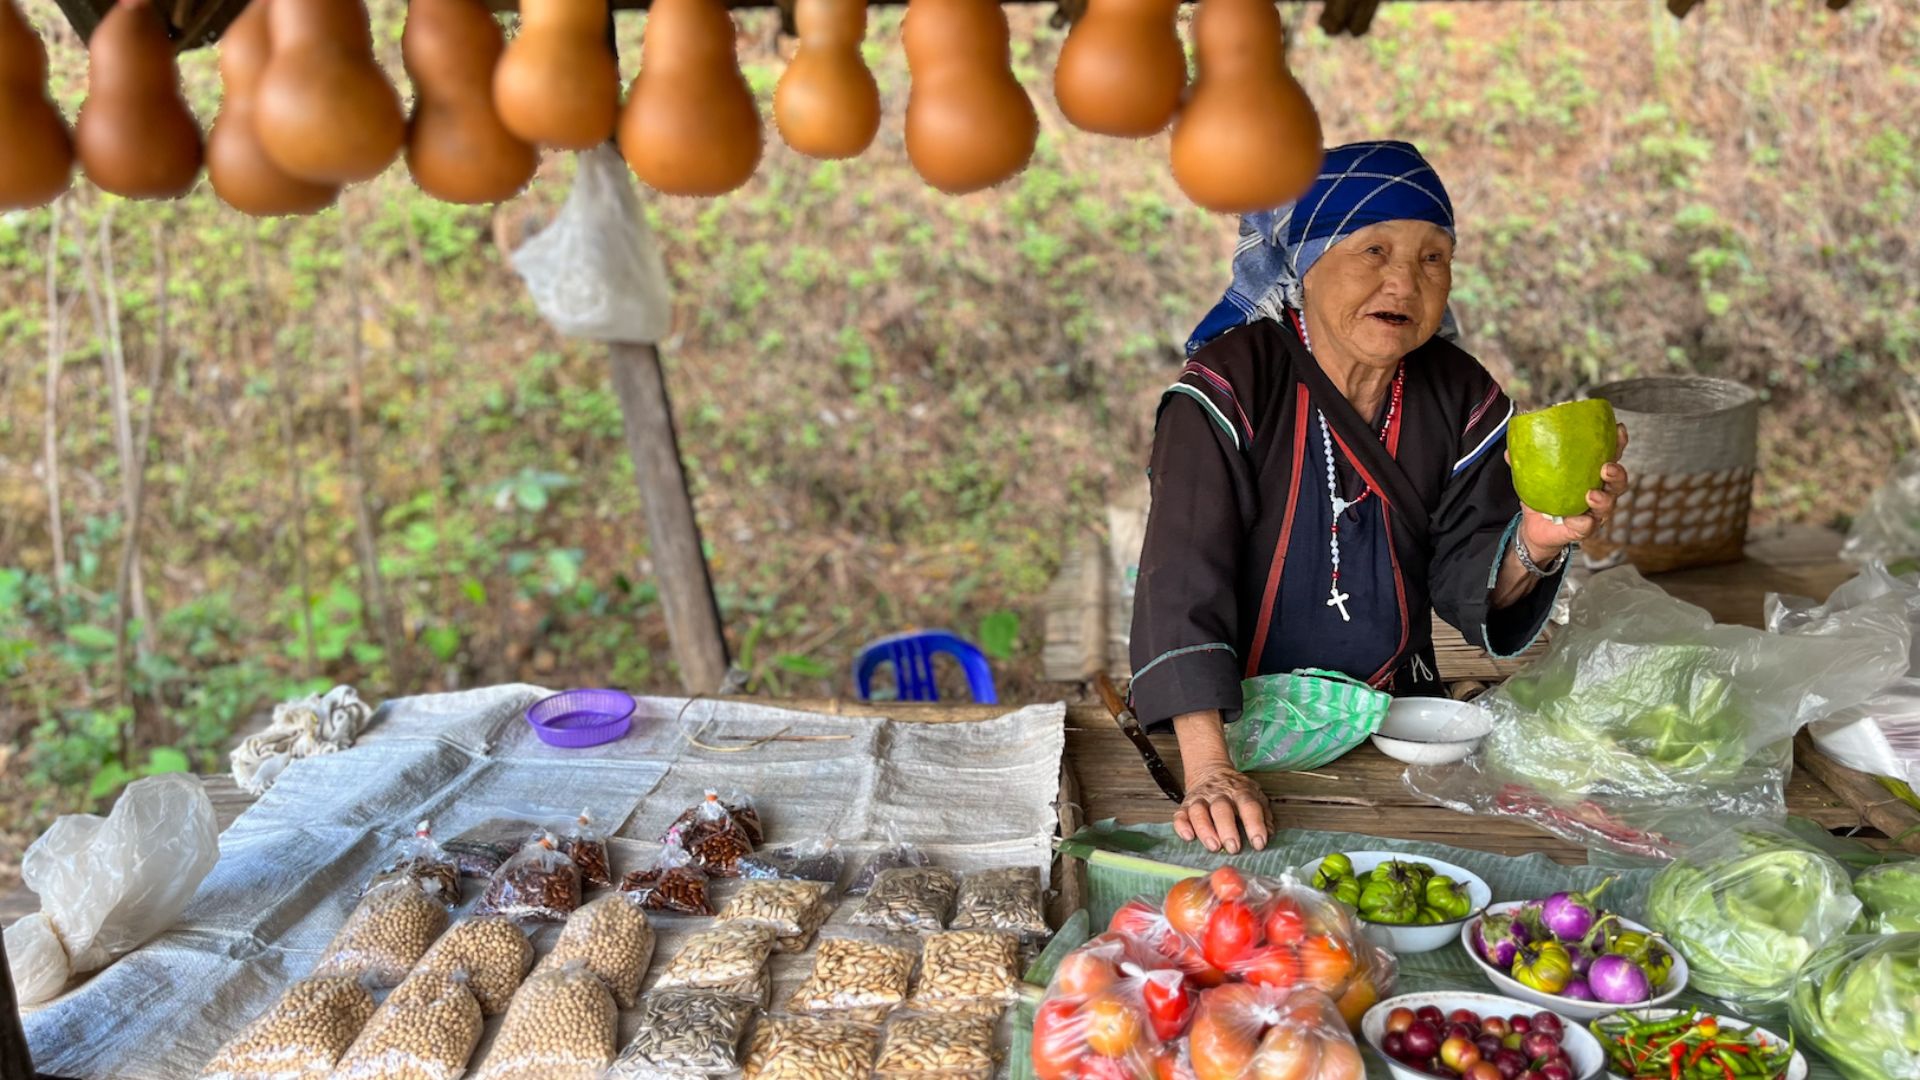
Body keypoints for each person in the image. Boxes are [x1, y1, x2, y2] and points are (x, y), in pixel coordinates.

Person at [1129, 141, 1630, 853]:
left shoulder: (1461, 394)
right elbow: (1180, 577)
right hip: (1240, 736)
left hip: (1395, 727)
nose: (1405, 280)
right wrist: (1209, 768)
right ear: (1309, 263)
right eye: (1374, 251)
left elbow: (1469, 575)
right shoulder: (1228, 388)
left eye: (1433, 258)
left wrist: (1539, 541)